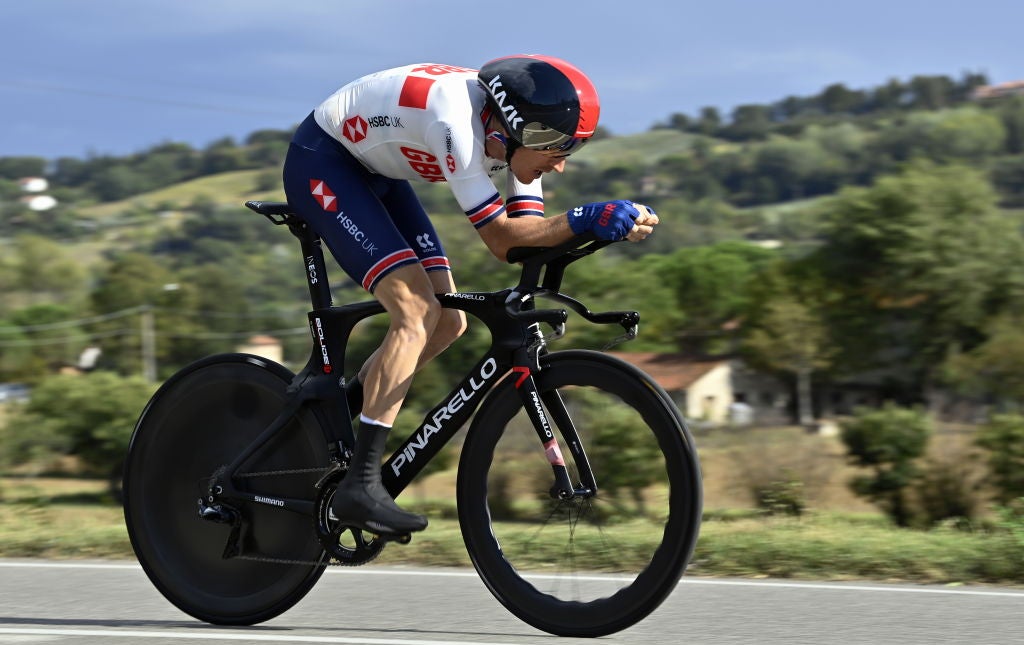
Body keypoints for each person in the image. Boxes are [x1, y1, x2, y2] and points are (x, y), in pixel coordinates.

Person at [282, 54, 659, 537]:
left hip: (378, 171)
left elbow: (528, 240)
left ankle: (336, 418)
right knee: (416, 312)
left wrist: (605, 227)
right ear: (513, 127)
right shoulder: (454, 122)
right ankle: (359, 483)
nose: (560, 164)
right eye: (554, 146)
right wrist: (584, 218)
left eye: (572, 149)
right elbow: (503, 240)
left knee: (449, 322)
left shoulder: (519, 136)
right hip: (325, 163)